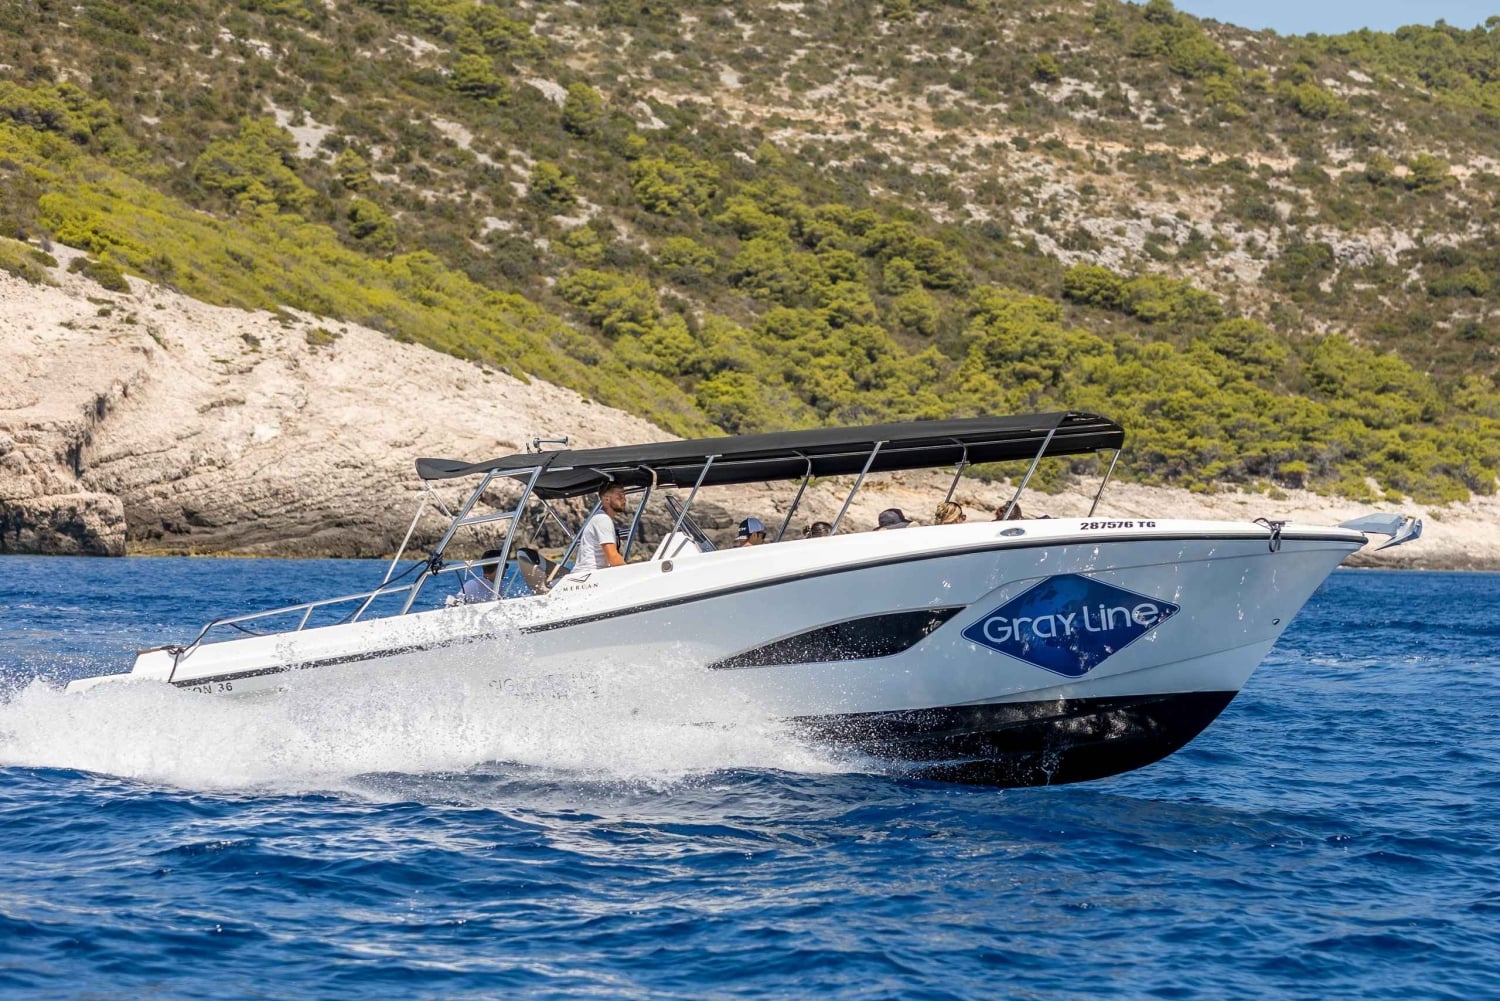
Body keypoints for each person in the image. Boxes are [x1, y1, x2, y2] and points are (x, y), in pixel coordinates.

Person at [575, 481, 628, 570]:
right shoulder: (603, 519)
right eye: (619, 496)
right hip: (591, 574)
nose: (624, 499)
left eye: (624, 495)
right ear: (606, 499)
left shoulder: (601, 518)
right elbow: (613, 558)